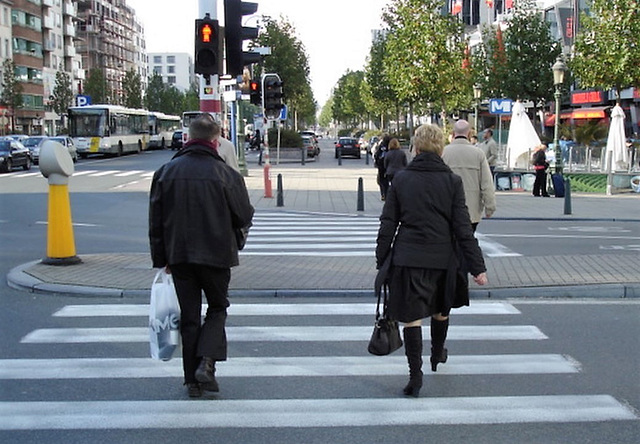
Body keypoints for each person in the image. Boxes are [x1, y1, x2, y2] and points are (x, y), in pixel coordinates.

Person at [376, 123, 488, 398]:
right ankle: (437, 353)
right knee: (441, 309)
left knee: (412, 318)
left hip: (408, 256)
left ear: (415, 147)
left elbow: (388, 222)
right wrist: (477, 267)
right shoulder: (452, 181)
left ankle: (415, 375)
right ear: (440, 148)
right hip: (443, 257)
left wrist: (381, 257)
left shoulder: (401, 179)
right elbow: (463, 228)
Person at [149, 115, 254, 399]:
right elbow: (244, 215)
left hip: (179, 257)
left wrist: (162, 261)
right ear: (216, 141)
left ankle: (192, 382)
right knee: (218, 308)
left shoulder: (165, 172)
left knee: (189, 317)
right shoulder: (227, 175)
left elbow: (156, 222)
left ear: (187, 137)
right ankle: (206, 363)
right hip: (217, 255)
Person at [442, 120, 496, 232]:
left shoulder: (443, 153)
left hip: (448, 207)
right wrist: (490, 206)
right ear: (469, 133)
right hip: (472, 209)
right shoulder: (478, 153)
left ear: (453, 133)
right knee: (468, 241)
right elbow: (486, 183)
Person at [374, 134, 391, 200]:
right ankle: (387, 194)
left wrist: (376, 163)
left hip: (381, 166)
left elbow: (376, 154)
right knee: (387, 180)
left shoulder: (381, 146)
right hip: (389, 166)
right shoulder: (391, 146)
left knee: (381, 181)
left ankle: (383, 194)